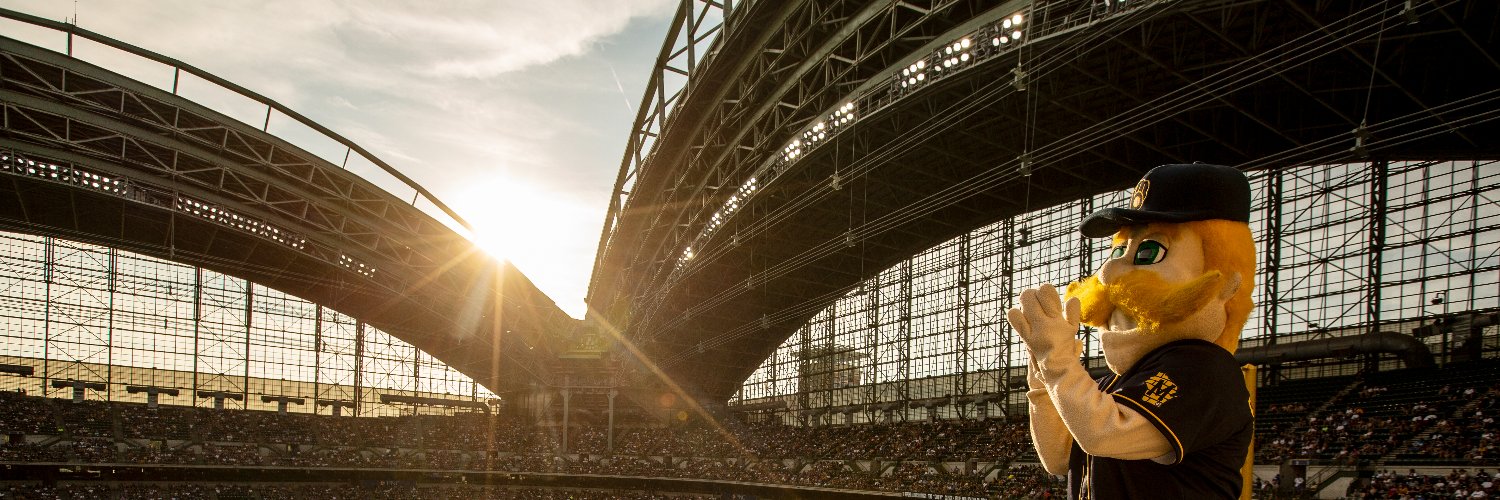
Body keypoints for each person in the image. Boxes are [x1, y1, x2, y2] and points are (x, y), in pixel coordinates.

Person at [1008, 164, 1257, 499]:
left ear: (1226, 281)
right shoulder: (1113, 383)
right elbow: (1059, 457)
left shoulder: (1204, 369)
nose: (1110, 272)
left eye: (1149, 252)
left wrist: (1056, 358)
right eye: (1117, 252)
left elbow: (1104, 433)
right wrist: (1041, 373)